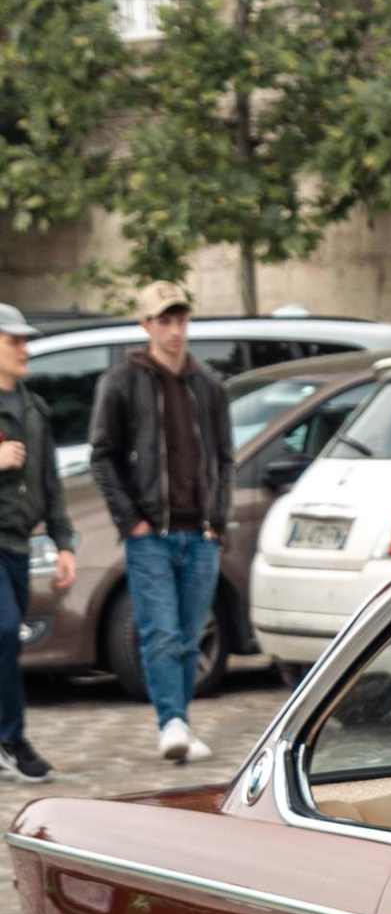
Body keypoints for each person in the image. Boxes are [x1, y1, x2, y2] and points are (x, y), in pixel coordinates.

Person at [89, 281, 232, 762]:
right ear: (146, 325)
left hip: (201, 535)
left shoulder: (208, 385)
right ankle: (170, 720)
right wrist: (132, 522)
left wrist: (218, 523)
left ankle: (181, 722)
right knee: (161, 633)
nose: (174, 330)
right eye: (164, 320)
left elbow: (226, 459)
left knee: (190, 637)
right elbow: (103, 457)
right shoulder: (122, 383)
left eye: (180, 319)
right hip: (150, 535)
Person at [0, 301, 75, 780]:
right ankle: (13, 737)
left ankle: (6, 738)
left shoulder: (33, 407)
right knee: (4, 629)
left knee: (9, 641)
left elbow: (50, 481)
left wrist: (65, 542)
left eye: (26, 340)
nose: (25, 349)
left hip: (18, 546)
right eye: (14, 341)